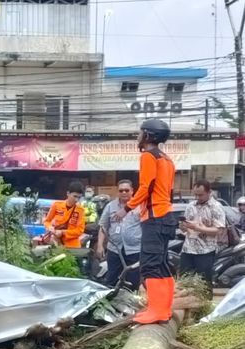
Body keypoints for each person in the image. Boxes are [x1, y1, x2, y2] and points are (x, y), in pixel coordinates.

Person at [113, 119, 177, 324]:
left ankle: (156, 311)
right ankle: (163, 310)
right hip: (166, 215)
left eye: (141, 133)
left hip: (154, 217)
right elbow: (168, 191)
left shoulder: (148, 156)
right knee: (162, 264)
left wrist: (126, 209)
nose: (138, 136)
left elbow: (145, 187)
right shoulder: (167, 159)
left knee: (150, 266)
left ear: (149, 136)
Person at [179, 180, 226, 286]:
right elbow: (184, 228)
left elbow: (219, 230)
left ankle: (205, 302)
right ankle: (186, 302)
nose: (197, 198)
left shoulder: (216, 207)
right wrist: (183, 226)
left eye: (200, 195)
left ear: (209, 192)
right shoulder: (190, 206)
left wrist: (198, 228)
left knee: (204, 283)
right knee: (184, 282)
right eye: (195, 195)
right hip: (188, 248)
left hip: (206, 250)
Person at [97, 180, 142, 290]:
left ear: (132, 191)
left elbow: (146, 227)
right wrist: (99, 245)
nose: (124, 193)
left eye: (126, 190)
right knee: (111, 280)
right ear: (118, 192)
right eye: (121, 190)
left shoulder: (140, 206)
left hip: (134, 250)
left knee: (133, 282)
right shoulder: (110, 206)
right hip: (114, 250)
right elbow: (103, 226)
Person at [44, 181, 86, 248]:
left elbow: (80, 231)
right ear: (68, 193)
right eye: (75, 196)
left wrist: (63, 232)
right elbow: (47, 221)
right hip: (56, 242)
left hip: (73, 245)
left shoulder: (80, 210)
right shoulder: (56, 205)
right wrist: (50, 227)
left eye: (79, 197)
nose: (76, 200)